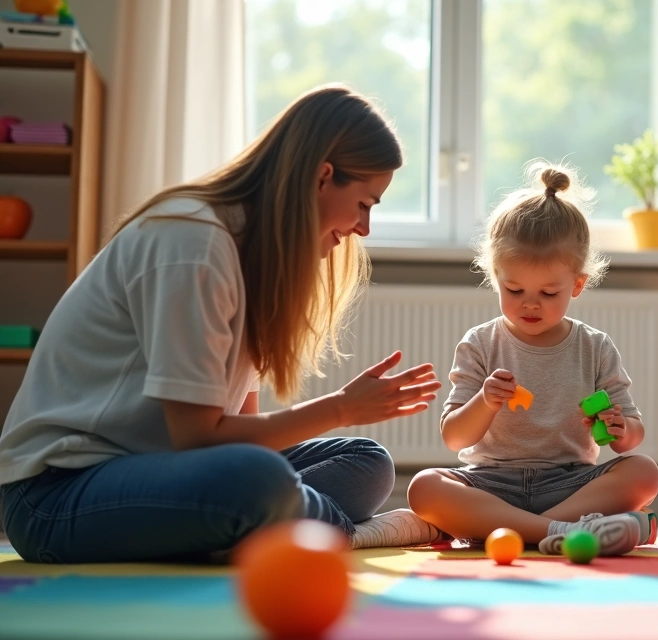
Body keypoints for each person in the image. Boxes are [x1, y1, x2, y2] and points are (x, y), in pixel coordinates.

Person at [0, 85, 447, 564]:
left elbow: (241, 429)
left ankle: (253, 527)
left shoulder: (252, 257)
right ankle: (339, 534)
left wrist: (341, 416)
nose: (364, 228)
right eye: (365, 203)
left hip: (162, 468)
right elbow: (198, 439)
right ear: (322, 177)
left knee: (366, 463)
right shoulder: (193, 241)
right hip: (57, 493)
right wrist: (338, 407)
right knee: (255, 480)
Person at [407, 162, 658, 557]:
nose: (529, 303)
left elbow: (632, 438)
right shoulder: (480, 343)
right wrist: (486, 402)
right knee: (423, 487)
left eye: (548, 293)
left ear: (577, 285)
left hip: (569, 483)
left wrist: (618, 427)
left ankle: (522, 529)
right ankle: (561, 531)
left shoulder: (594, 346)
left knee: (644, 471)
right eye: (514, 289)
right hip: (492, 484)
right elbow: (455, 437)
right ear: (495, 277)